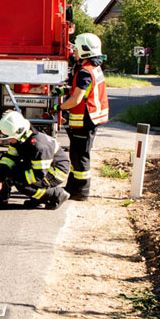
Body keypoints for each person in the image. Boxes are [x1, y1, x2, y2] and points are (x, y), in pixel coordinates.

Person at [54, 33, 109, 201]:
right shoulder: (94, 68)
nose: (74, 52)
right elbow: (82, 90)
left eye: (76, 49)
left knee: (80, 157)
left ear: (84, 51)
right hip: (90, 119)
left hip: (85, 120)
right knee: (77, 155)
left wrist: (58, 107)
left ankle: (81, 192)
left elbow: (77, 99)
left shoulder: (85, 72)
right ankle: (72, 188)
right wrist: (64, 91)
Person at [0, 110, 70, 209]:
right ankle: (39, 198)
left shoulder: (38, 146)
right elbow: (10, 158)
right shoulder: (19, 140)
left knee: (23, 185)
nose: (8, 141)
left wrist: (16, 179)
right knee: (12, 174)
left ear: (19, 133)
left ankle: (56, 194)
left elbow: (39, 174)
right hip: (40, 167)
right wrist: (1, 173)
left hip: (55, 172)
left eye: (9, 138)